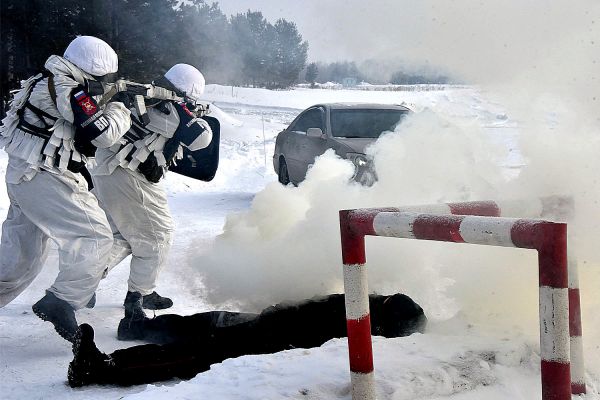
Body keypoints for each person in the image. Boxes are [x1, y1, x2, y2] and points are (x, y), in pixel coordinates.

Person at [0, 36, 132, 342]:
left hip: (26, 175)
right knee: (96, 236)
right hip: (41, 175)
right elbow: (103, 134)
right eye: (102, 79)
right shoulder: (67, 88)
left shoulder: (51, 80)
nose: (103, 83)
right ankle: (60, 301)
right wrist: (120, 109)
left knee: (21, 260)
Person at [67, 293, 427, 387]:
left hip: (265, 342)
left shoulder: (358, 327)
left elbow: (305, 331)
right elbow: (308, 304)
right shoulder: (360, 299)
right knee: (205, 321)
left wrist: (273, 323)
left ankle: (98, 369)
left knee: (186, 354)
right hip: (266, 324)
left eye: (386, 303)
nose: (380, 297)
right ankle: (135, 328)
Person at [90, 64, 213, 311]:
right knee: (158, 235)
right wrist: (194, 115)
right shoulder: (169, 107)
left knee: (121, 234)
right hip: (128, 176)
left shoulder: (147, 97)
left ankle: (83, 283)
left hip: (107, 171)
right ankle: (141, 294)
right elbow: (201, 139)